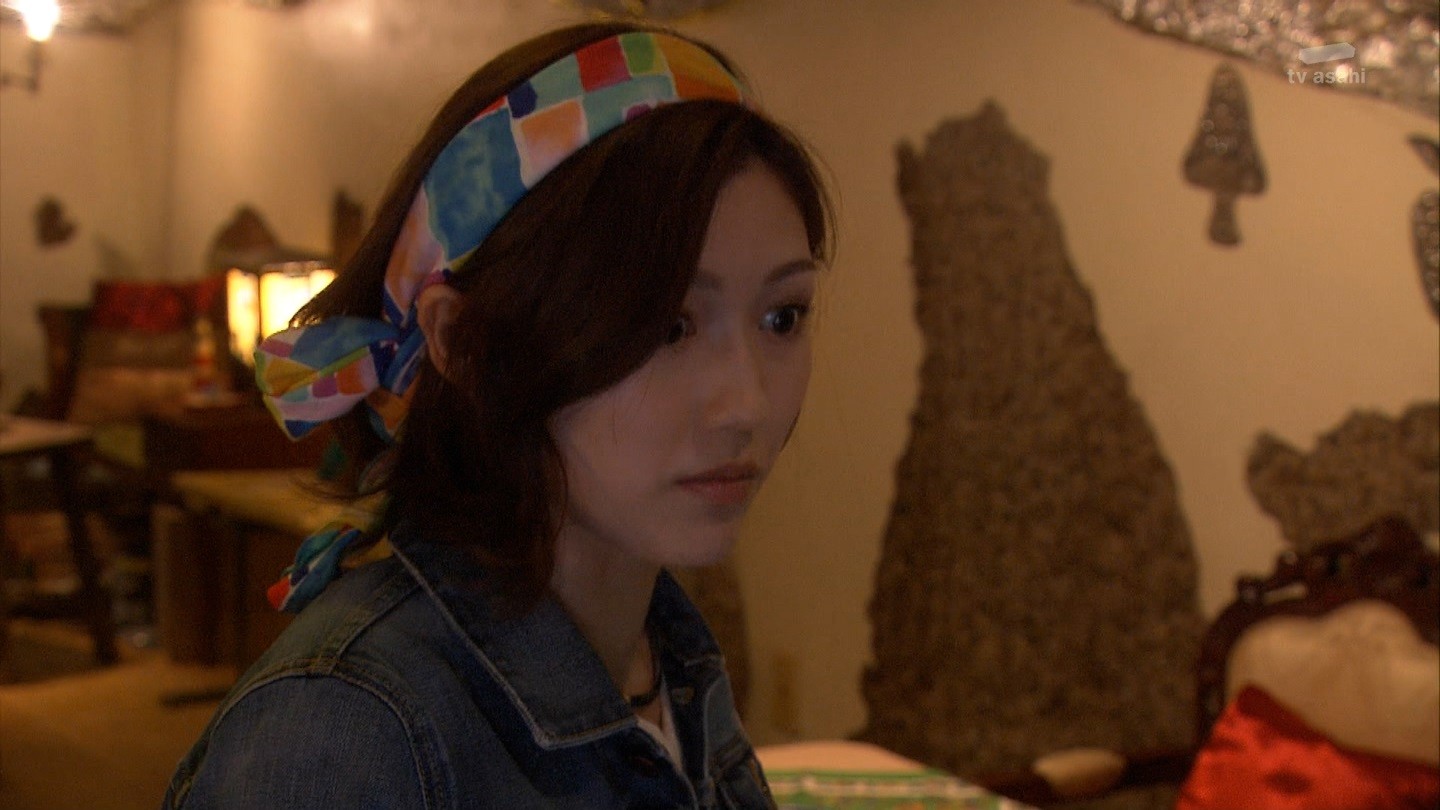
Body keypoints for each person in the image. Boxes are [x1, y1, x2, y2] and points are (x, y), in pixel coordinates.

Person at [164, 20, 832, 809]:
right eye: (667, 327)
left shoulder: (666, 656)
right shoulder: (346, 732)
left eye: (782, 317)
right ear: (464, 342)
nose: (748, 404)